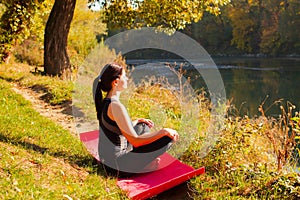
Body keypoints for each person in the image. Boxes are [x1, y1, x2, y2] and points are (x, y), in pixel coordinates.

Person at [93, 62, 179, 177]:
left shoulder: (107, 101)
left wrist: (136, 122)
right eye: (124, 76)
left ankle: (142, 162)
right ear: (116, 82)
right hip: (116, 167)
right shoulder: (115, 106)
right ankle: (143, 166)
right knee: (167, 139)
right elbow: (136, 141)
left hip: (108, 161)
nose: (127, 78)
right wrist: (162, 132)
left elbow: (114, 128)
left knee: (143, 126)